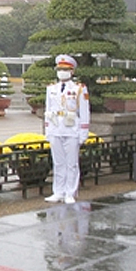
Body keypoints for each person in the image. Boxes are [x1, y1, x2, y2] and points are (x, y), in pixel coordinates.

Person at [44, 54, 90, 204]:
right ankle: (58, 191)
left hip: (72, 130)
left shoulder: (79, 89)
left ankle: (70, 191)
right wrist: (48, 131)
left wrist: (83, 133)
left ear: (72, 72)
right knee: (58, 163)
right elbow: (48, 110)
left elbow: (84, 112)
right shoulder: (51, 89)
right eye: (59, 69)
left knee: (71, 163)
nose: (61, 72)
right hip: (56, 129)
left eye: (65, 69)